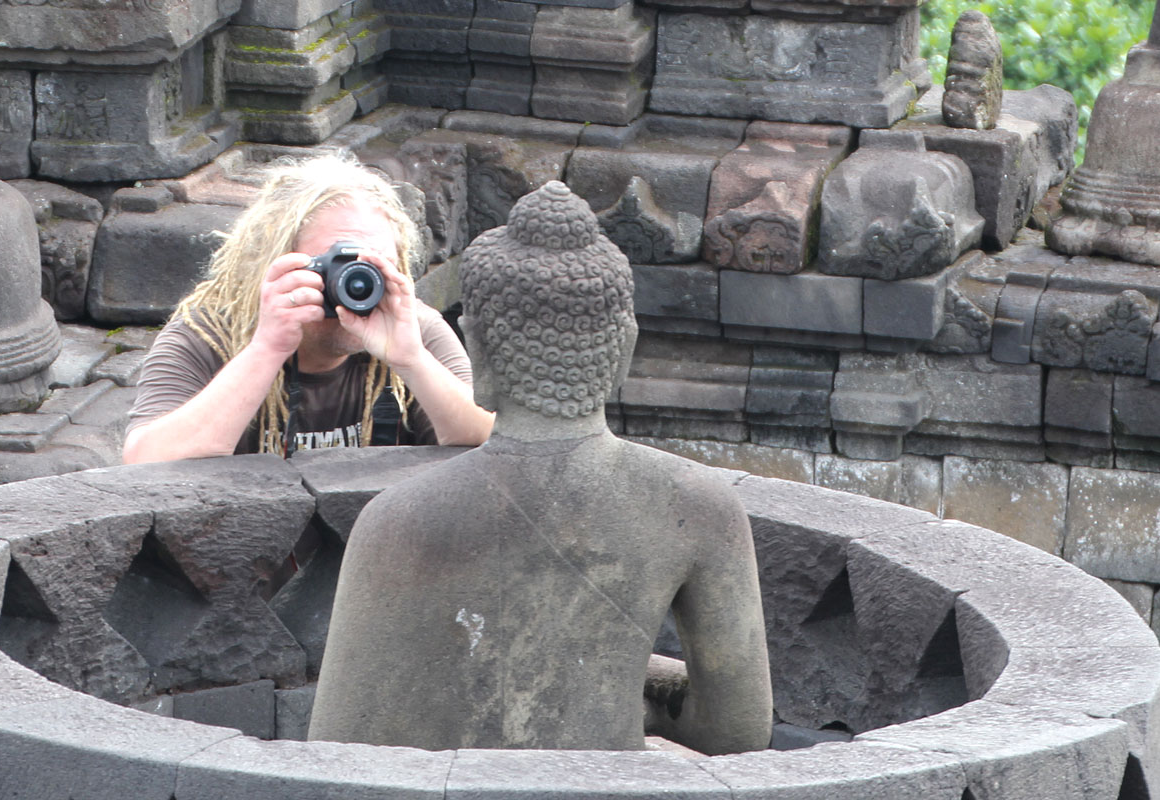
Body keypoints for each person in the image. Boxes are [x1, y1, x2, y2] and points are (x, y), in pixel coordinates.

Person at [308, 181, 771, 754]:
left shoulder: (394, 522)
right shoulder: (699, 506)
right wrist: (627, 683)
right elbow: (736, 729)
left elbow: (336, 751)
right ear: (623, 350)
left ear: (475, 350)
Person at [123, 155, 493, 463]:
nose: (354, 282)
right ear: (274, 262)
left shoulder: (413, 329)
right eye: (333, 263)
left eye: (375, 266)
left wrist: (411, 360)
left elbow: (491, 441)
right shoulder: (210, 333)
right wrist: (266, 350)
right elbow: (144, 460)